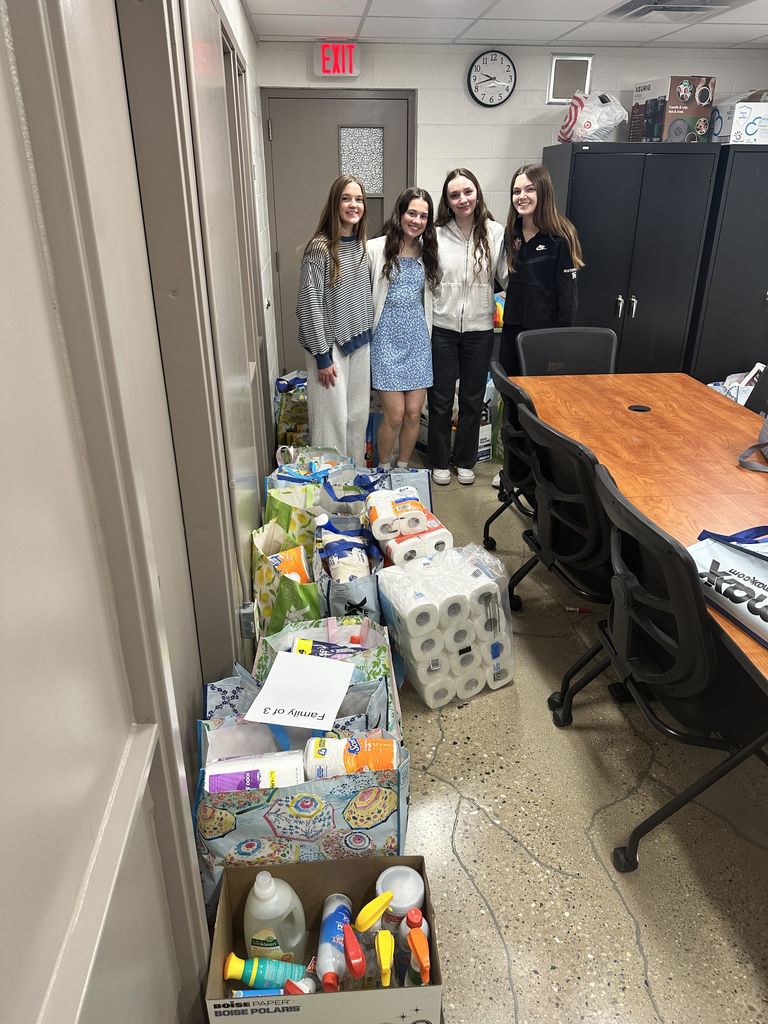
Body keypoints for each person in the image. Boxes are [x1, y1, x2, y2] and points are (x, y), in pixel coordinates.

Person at [494, 163, 584, 488]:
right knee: (512, 406)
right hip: (512, 335)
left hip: (544, 341)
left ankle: (541, 477)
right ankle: (513, 472)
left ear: (543, 192)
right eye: (517, 190)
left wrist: (560, 350)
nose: (522, 196)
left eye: (529, 189)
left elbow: (568, 301)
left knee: (540, 412)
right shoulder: (511, 234)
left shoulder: (561, 235)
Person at [429, 168, 507, 486]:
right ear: (447, 201)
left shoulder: (494, 232)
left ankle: (465, 460)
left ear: (477, 193)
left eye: (468, 192)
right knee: (441, 398)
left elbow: (506, 274)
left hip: (479, 329)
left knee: (473, 399)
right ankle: (438, 460)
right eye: (455, 195)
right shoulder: (435, 233)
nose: (463, 199)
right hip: (443, 327)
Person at [297, 174, 374, 466]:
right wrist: (322, 356)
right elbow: (309, 304)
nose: (353, 205)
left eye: (359, 199)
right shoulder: (320, 248)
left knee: (356, 419)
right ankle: (328, 497)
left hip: (359, 343)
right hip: (329, 349)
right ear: (335, 203)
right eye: (346, 198)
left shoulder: (360, 244)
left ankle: (350, 487)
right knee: (330, 425)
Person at [368, 188, 438, 470]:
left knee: (413, 415)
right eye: (412, 213)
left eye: (423, 215)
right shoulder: (376, 248)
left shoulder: (428, 253)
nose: (417, 220)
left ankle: (403, 468)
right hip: (385, 340)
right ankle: (383, 467)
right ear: (400, 213)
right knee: (394, 415)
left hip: (418, 342)